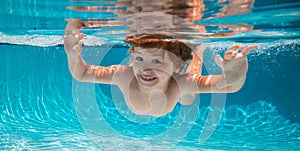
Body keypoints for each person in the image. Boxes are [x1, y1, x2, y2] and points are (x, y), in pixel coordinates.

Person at [64, 19, 258, 117]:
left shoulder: (180, 83)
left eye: (156, 61)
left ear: (176, 66)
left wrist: (234, 74)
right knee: (188, 95)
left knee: (188, 94)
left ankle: (197, 48)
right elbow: (82, 73)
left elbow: (227, 86)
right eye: (139, 58)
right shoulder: (124, 75)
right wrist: (72, 54)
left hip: (180, 87)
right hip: (176, 89)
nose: (145, 69)